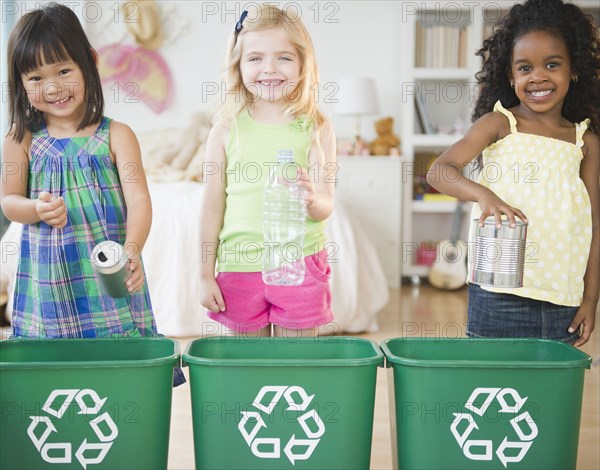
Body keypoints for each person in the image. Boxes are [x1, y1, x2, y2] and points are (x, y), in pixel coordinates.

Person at [426, 0, 599, 347]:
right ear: (510, 75)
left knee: (547, 395)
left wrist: (591, 300)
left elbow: (595, 224)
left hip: (562, 298)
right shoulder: (500, 123)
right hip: (497, 293)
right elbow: (439, 172)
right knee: (492, 387)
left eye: (552, 64)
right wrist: (484, 195)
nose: (537, 76)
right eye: (524, 68)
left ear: (574, 70)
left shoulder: (586, 142)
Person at [1, 4, 166, 346]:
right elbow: (9, 202)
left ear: (89, 60)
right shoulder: (21, 138)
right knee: (53, 359)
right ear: (20, 82)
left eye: (63, 71)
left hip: (108, 272)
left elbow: (138, 200)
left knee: (116, 350)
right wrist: (35, 209)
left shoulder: (117, 135)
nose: (52, 88)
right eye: (35, 78)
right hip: (48, 277)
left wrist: (131, 250)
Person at [200, 5, 336, 337]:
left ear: (304, 64)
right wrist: (204, 274)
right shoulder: (226, 128)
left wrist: (311, 200)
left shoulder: (316, 127)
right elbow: (211, 206)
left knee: (297, 364)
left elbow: (326, 205)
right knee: (248, 368)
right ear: (239, 65)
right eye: (256, 58)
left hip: (299, 264)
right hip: (238, 266)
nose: (269, 69)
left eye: (284, 58)